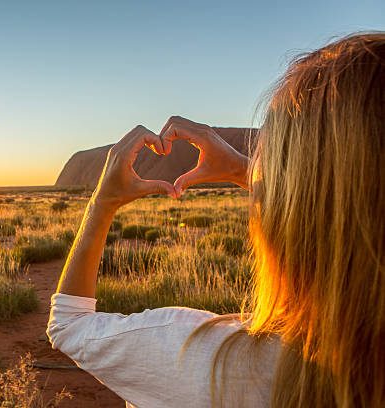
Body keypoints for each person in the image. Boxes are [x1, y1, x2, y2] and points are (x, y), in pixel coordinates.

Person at [47, 32, 384, 408]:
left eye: (267, 154)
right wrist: (243, 170)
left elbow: (69, 326)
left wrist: (103, 200)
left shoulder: (207, 360)